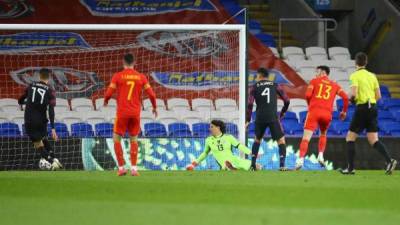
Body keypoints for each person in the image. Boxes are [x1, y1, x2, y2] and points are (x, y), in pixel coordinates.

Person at [341, 52, 397, 175]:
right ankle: (389, 160)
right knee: (373, 139)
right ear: (366, 63)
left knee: (350, 137)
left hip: (362, 108)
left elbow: (354, 94)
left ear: (355, 63)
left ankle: (350, 168)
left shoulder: (355, 76)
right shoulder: (372, 76)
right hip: (373, 108)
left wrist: (353, 101)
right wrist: (370, 104)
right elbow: (378, 96)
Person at [104, 53, 157, 176]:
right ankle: (134, 168)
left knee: (116, 139)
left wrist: (106, 100)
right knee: (134, 139)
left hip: (122, 113)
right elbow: (152, 95)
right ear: (134, 63)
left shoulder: (118, 76)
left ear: (123, 62)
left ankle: (121, 168)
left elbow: (109, 92)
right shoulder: (141, 77)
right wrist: (154, 107)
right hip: (135, 113)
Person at [295, 65, 349, 170]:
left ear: (323, 72)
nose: (316, 74)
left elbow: (307, 95)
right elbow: (346, 98)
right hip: (327, 114)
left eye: (317, 71)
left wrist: (310, 105)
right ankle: (320, 155)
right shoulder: (335, 85)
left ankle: (300, 160)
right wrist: (344, 112)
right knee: (323, 133)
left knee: (306, 139)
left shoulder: (314, 81)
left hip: (314, 112)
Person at [246, 67, 290, 171]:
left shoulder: (254, 87)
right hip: (273, 117)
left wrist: (248, 119)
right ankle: (282, 165)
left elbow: (250, 104)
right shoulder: (275, 85)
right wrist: (283, 112)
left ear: (260, 75)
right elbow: (287, 100)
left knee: (258, 139)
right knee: (281, 140)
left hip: (260, 116)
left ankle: (253, 165)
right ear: (267, 76)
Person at [18, 68, 62, 170]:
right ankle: (55, 158)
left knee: (37, 144)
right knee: (43, 138)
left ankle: (52, 162)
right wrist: (53, 128)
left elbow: (21, 98)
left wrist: (21, 102)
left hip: (29, 120)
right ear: (49, 77)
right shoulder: (50, 91)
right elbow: (51, 110)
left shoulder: (31, 86)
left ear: (39, 76)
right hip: (42, 121)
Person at [186, 120, 259, 171]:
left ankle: (234, 167)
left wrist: (251, 152)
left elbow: (239, 146)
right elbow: (205, 153)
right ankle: (231, 167)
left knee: (254, 165)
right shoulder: (208, 140)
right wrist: (194, 164)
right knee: (227, 164)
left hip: (233, 159)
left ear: (218, 128)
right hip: (223, 162)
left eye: (212, 127)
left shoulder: (228, 137)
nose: (210, 129)